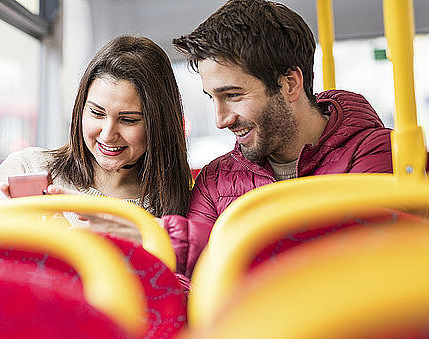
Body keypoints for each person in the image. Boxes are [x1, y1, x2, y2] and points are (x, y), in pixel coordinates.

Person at [161, 0, 393, 277]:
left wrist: (199, 248)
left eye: (233, 95)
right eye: (213, 98)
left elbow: (357, 271)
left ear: (290, 84)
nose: (220, 120)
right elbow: (197, 294)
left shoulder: (374, 152)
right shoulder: (215, 180)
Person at [0, 35, 192, 225]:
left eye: (128, 120)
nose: (108, 134)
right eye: (96, 113)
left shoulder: (177, 210)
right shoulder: (26, 168)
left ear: (159, 125)